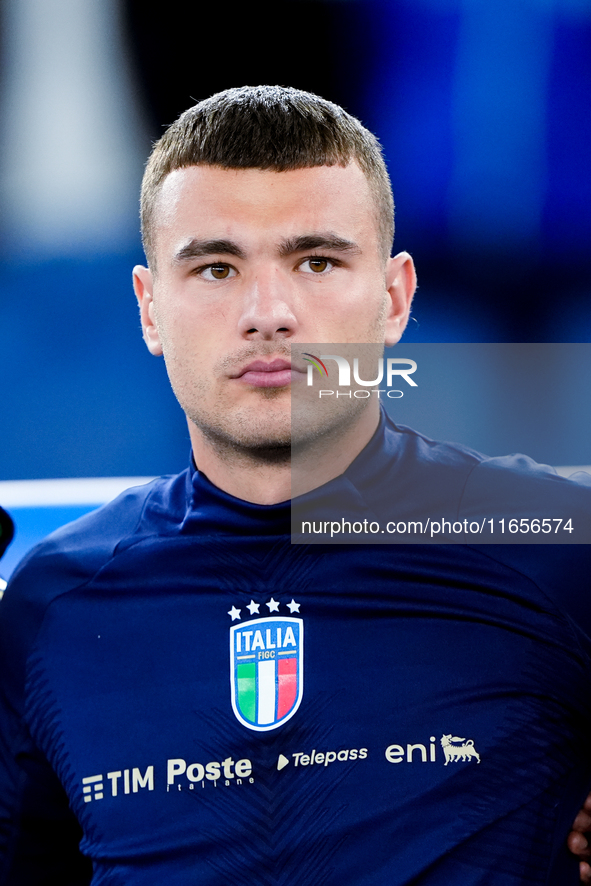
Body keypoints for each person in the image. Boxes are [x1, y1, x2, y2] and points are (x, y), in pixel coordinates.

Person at [1, 85, 590, 885]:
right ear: (148, 309)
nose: (267, 312)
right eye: (215, 267)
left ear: (393, 298)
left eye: (315, 261)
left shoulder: (556, 547)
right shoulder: (51, 606)